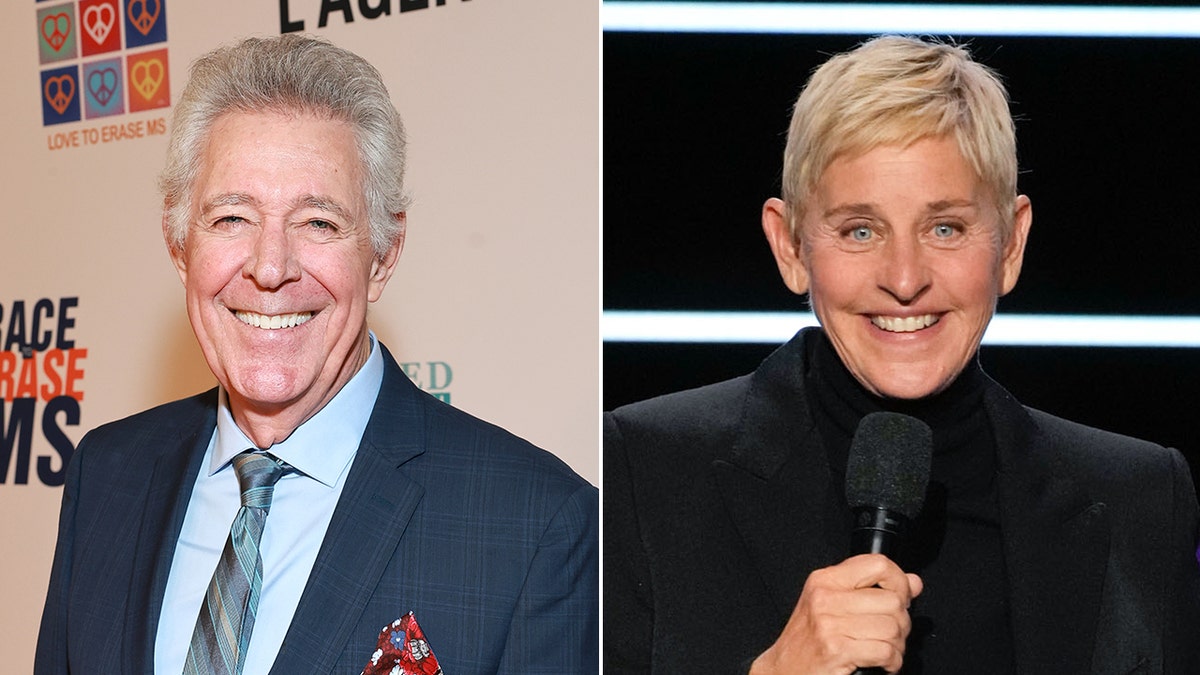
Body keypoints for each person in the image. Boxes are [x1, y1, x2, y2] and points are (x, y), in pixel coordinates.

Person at [604, 35, 1200, 674]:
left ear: (1011, 244)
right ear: (790, 247)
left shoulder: (1144, 497)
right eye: (860, 230)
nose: (906, 278)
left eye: (945, 228)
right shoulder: (642, 473)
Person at [35, 34, 597, 675]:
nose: (271, 268)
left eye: (319, 222)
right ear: (179, 243)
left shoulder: (535, 525)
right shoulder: (106, 475)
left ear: (383, 255)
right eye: (232, 218)